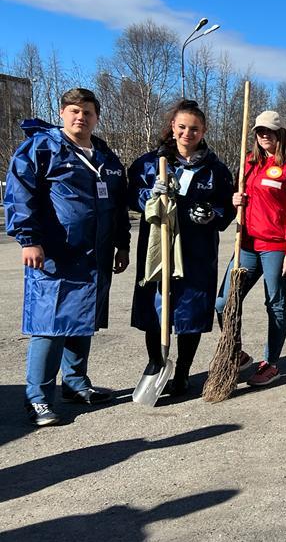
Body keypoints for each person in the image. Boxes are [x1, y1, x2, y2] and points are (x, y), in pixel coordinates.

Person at [4, 88, 130, 426]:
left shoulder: (104, 155)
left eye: (88, 112)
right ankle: (38, 398)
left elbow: (117, 204)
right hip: (56, 256)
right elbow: (20, 193)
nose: (81, 117)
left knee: (81, 321)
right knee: (49, 326)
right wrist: (28, 239)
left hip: (95, 256)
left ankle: (75, 384)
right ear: (62, 113)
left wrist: (122, 243)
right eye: (74, 110)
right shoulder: (42, 147)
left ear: (96, 117)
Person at [128, 100, 235, 397]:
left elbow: (228, 206)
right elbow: (129, 195)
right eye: (183, 127)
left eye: (195, 128)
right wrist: (149, 195)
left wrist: (213, 213)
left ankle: (184, 372)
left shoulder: (215, 170)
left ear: (203, 131)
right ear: (173, 128)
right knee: (156, 308)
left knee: (191, 310)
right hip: (160, 245)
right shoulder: (152, 163)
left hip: (197, 251)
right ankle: (156, 363)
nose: (188, 133)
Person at [215, 111, 286, 386]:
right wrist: (235, 200)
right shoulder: (249, 163)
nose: (264, 135)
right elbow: (241, 201)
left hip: (276, 246)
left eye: (270, 131)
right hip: (247, 243)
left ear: (280, 134)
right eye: (259, 131)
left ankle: (272, 363)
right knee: (224, 302)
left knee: (275, 304)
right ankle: (238, 352)